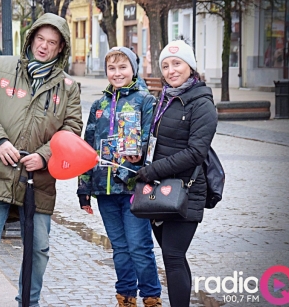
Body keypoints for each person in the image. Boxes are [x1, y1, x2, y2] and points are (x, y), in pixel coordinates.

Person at [0, 13, 83, 307]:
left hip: (38, 180)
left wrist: (44, 157)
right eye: (40, 39)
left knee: (39, 248)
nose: (44, 46)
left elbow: (72, 128)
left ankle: (28, 303)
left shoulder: (68, 87)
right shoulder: (2, 66)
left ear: (61, 48)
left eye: (52, 42)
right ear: (30, 39)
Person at [77, 46, 162, 307]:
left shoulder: (145, 100)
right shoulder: (98, 105)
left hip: (135, 188)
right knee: (120, 248)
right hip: (105, 191)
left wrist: (136, 163)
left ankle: (151, 296)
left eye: (123, 67)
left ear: (133, 69)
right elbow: (87, 147)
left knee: (139, 247)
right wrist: (84, 189)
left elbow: (150, 142)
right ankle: (125, 296)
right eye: (111, 68)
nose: (117, 73)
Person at [137, 40, 218, 307]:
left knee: (172, 256)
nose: (171, 70)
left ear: (190, 66)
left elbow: (196, 152)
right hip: (160, 191)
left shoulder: (202, 102)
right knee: (175, 257)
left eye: (177, 63)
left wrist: (151, 171)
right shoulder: (165, 99)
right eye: (166, 65)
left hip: (185, 191)